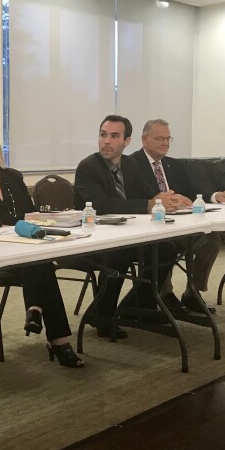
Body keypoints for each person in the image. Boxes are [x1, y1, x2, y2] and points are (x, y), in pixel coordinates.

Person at [0, 129, 84, 368]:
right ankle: (55, 336)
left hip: (21, 248)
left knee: (38, 260)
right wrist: (11, 228)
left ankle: (39, 314)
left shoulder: (12, 177)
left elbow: (28, 212)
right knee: (41, 265)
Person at [72, 115, 185, 333]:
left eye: (114, 136)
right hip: (93, 239)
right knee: (118, 255)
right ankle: (101, 315)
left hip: (126, 232)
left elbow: (147, 195)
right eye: (103, 135)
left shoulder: (130, 164)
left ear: (127, 141)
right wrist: (150, 204)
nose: (106, 141)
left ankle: (138, 306)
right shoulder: (88, 167)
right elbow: (102, 206)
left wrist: (167, 199)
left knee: (165, 249)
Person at [129, 119, 225, 313]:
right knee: (166, 243)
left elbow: (191, 191)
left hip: (179, 221)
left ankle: (193, 292)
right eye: (159, 138)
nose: (165, 143)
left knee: (212, 237)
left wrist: (215, 195)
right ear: (144, 140)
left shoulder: (173, 165)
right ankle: (164, 294)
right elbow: (132, 198)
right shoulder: (130, 164)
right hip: (150, 226)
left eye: (168, 138)